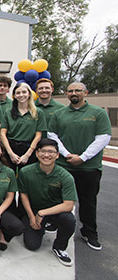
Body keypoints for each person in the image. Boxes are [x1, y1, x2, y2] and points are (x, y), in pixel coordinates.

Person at [48, 82, 111, 251]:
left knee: (88, 201)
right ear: (66, 94)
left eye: (77, 90)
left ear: (86, 93)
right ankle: (56, 223)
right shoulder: (59, 114)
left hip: (89, 167)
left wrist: (83, 157)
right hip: (63, 164)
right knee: (59, 198)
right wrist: (67, 154)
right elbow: (52, 135)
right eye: (70, 91)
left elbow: (103, 137)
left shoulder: (97, 113)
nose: (73, 93)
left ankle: (89, 232)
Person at [18, 138, 77, 266]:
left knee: (69, 220)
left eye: (51, 152)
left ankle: (59, 247)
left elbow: (68, 205)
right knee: (32, 245)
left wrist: (42, 213)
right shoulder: (25, 172)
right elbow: (23, 195)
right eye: (43, 151)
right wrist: (31, 217)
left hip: (55, 210)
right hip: (33, 210)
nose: (46, 155)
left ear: (57, 155)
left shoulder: (65, 176)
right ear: (37, 153)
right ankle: (41, 227)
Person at [0, 82, 47, 172]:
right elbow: (2, 134)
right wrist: (10, 154)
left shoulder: (38, 112)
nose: (21, 95)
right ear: (14, 95)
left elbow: (38, 135)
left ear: (29, 94)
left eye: (24, 92)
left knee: (27, 177)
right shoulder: (8, 112)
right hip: (10, 148)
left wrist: (27, 155)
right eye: (18, 93)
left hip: (29, 148)